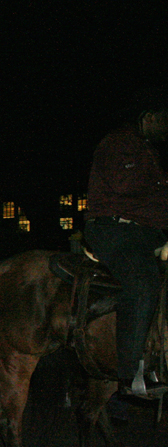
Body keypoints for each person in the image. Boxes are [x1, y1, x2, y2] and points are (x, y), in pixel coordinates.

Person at [84, 87, 168, 397]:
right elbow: (123, 183)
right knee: (143, 281)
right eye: (164, 120)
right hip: (115, 230)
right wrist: (161, 182)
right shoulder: (120, 142)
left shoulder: (147, 150)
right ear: (148, 118)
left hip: (146, 233)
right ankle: (131, 373)